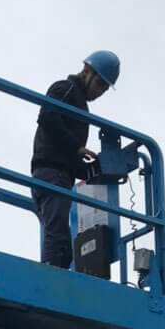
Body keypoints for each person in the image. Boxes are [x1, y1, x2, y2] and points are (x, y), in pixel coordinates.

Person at [30, 50, 120, 269]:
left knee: (62, 244)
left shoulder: (81, 105)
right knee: (57, 238)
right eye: (99, 84)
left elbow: (66, 153)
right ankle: (49, 280)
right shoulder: (65, 88)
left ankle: (53, 275)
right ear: (87, 71)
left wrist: (93, 169)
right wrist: (78, 148)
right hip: (51, 174)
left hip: (58, 175)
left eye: (104, 89)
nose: (100, 92)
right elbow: (47, 117)